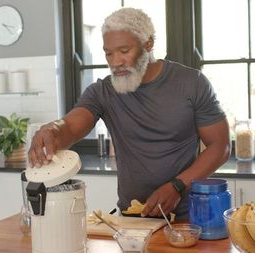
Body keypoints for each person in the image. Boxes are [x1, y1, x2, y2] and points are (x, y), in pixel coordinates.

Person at [28, 7, 231, 219]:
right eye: (108, 53)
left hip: (188, 217)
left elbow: (221, 146)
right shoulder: (102, 92)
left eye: (124, 51)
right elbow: (69, 126)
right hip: (132, 219)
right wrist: (53, 130)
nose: (115, 62)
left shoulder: (192, 83)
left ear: (149, 43)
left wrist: (177, 186)